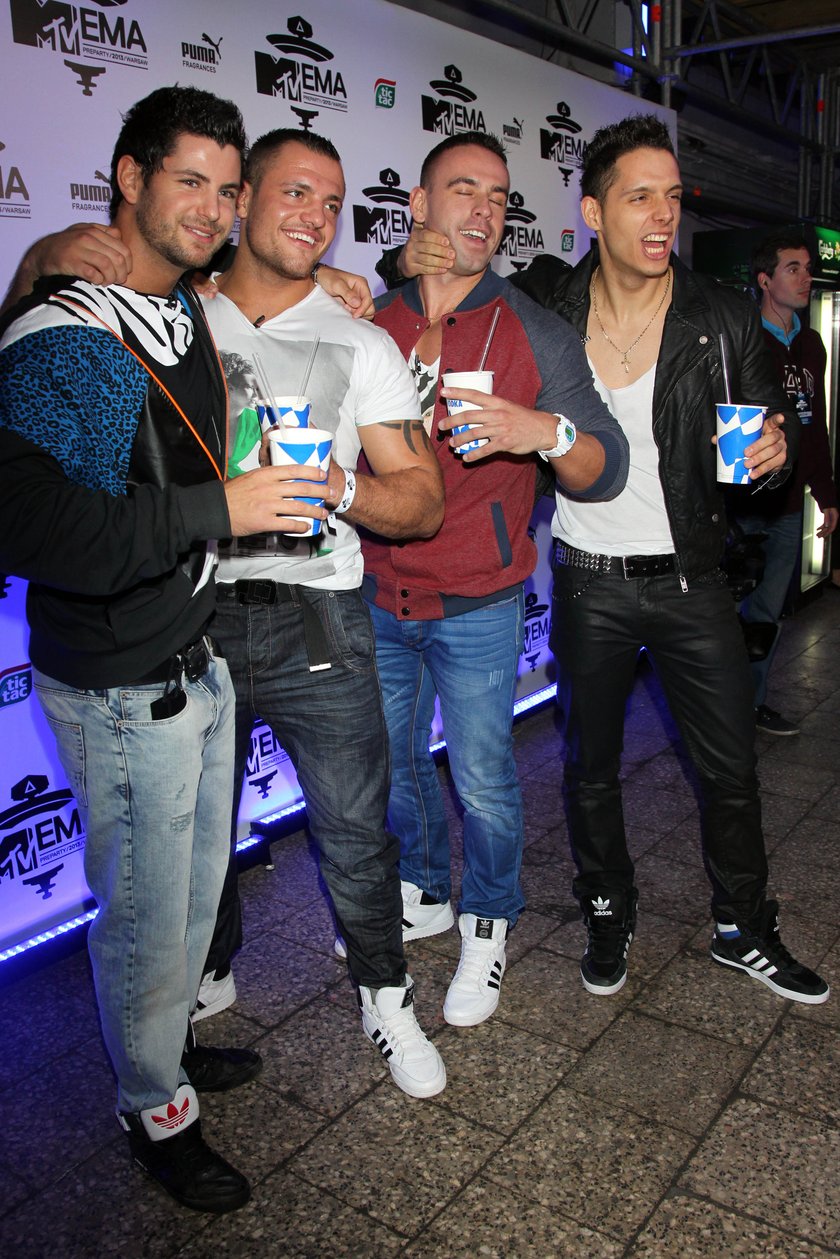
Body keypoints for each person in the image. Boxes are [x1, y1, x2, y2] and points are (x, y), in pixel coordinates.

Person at [8, 132, 448, 1100]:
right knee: (197, 840)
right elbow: (48, 336)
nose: (315, 217)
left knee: (354, 827)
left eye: (331, 203)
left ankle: (385, 991)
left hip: (319, 617)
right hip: (191, 617)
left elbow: (422, 501)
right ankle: (199, 981)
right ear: (243, 201)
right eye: (295, 193)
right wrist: (40, 256)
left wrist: (341, 489)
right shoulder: (177, 313)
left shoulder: (360, 337)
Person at [386, 114, 829, 1007]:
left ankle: (744, 924)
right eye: (640, 198)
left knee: (730, 770)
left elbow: (755, 445)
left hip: (692, 577)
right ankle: (606, 907)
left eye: (673, 198)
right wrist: (403, 256)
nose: (663, 216)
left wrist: (775, 454)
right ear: (593, 211)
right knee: (589, 769)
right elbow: (456, 280)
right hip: (588, 578)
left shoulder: (721, 317)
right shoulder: (549, 299)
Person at [0, 87, 334, 1215]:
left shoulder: (184, 308)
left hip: (193, 658)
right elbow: (38, 530)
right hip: (119, 682)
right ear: (129, 180)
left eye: (228, 188)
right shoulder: (72, 330)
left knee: (190, 905)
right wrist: (219, 510)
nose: (214, 207)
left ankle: (167, 1051)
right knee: (146, 921)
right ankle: (153, 1105)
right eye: (189, 180)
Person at [367, 132, 630, 1028]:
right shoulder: (372, 316)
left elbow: (608, 464)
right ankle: (424, 888)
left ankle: (490, 918)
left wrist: (543, 432)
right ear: (418, 204)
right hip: (375, 590)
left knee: (482, 775)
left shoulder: (532, 327)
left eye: (499, 196)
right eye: (464, 189)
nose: (484, 210)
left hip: (479, 597)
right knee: (395, 763)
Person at [728, 231, 837, 735]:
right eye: (793, 268)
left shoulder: (812, 344)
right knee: (724, 612)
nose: (806, 277)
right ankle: (718, 712)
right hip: (743, 503)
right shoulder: (743, 338)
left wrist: (827, 492)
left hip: (790, 505)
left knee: (767, 614)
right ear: (765, 280)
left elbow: (815, 423)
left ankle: (751, 705)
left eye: (808, 268)